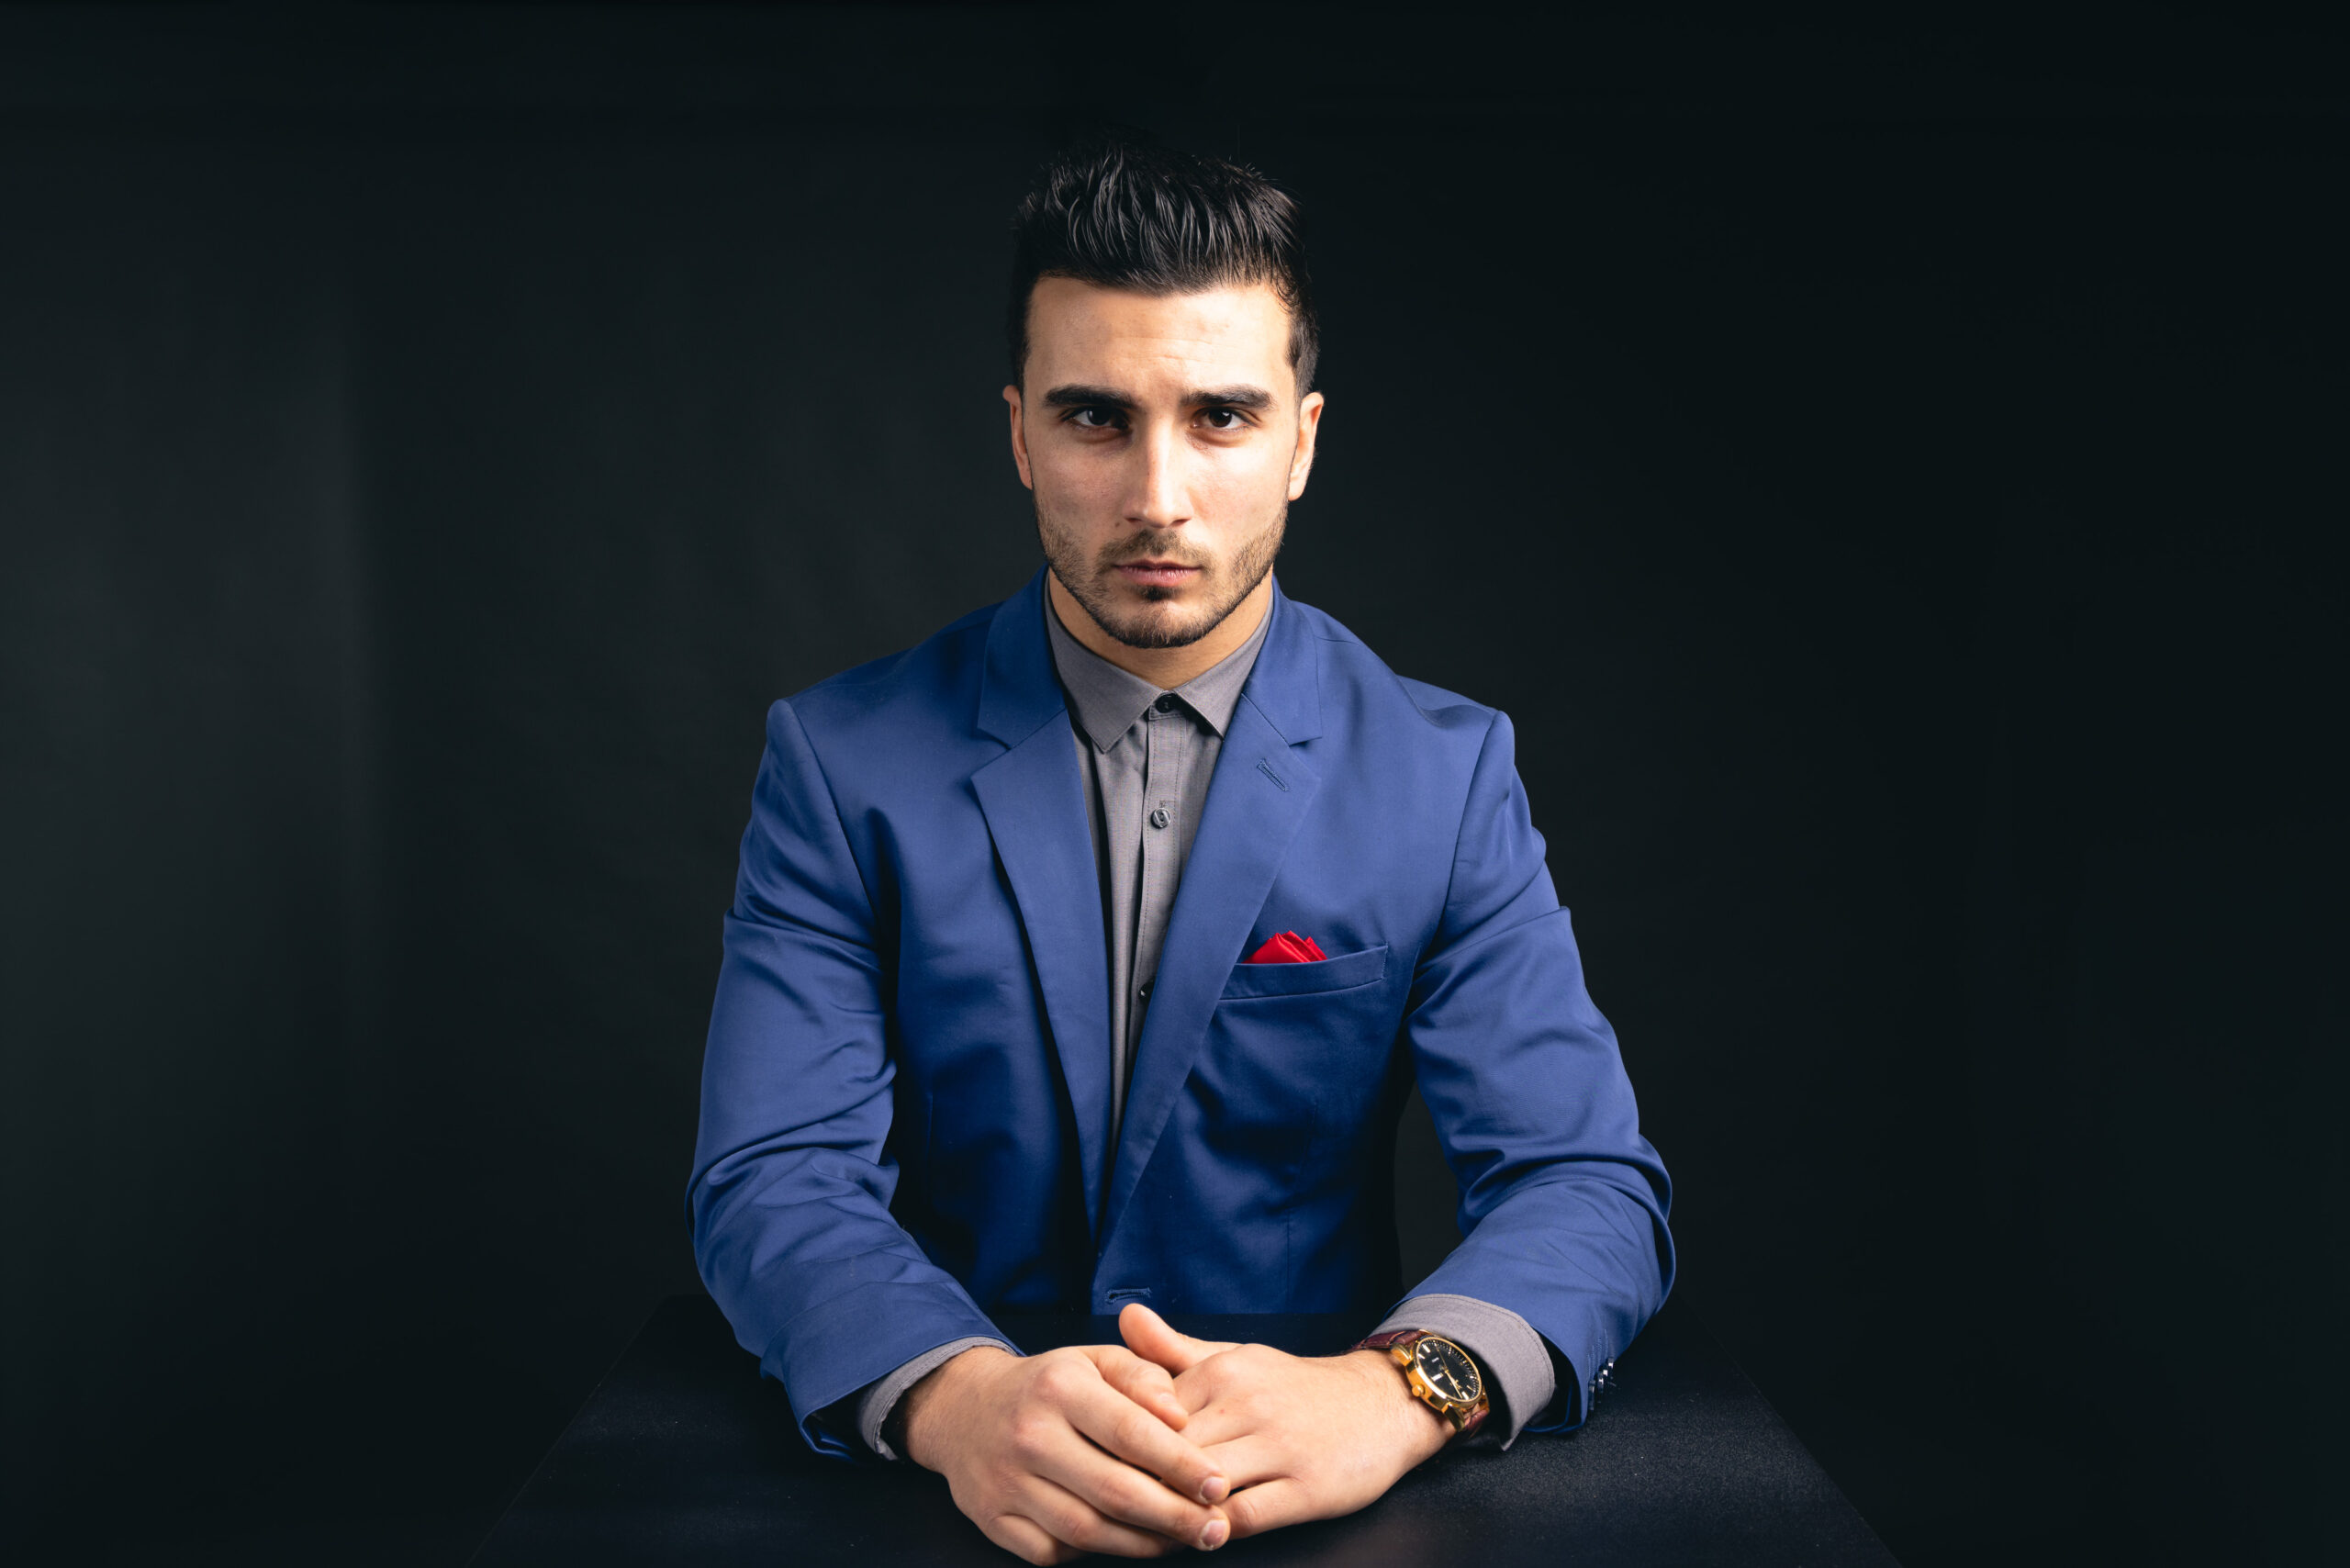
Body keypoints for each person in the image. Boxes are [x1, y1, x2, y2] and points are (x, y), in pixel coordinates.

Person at [687, 138, 1674, 1562]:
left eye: (1220, 417)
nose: (1158, 494)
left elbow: (1585, 1180)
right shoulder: (842, 764)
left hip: (1324, 1505)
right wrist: (958, 1400)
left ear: (1303, 441)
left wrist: (1397, 1393)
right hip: (949, 1503)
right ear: (1020, 436)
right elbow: (771, 1172)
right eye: (1097, 418)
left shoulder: (1445, 774)